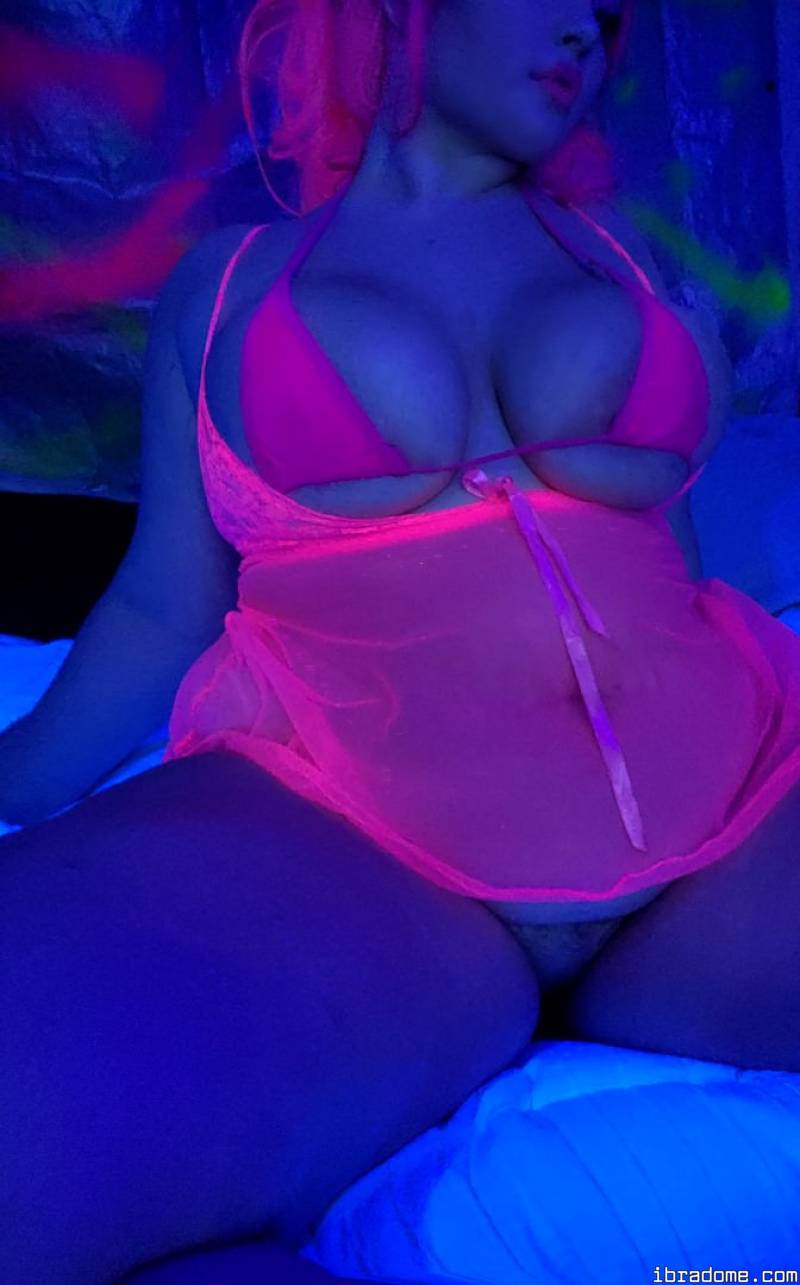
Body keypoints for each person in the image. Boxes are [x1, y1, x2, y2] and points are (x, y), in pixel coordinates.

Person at [3, 1, 800, 1281]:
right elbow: (161, 603)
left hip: (725, 821)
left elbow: (666, 563)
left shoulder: (617, 255)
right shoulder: (232, 284)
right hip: (361, 839)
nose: (586, 34)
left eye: (605, 14)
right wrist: (19, 774)